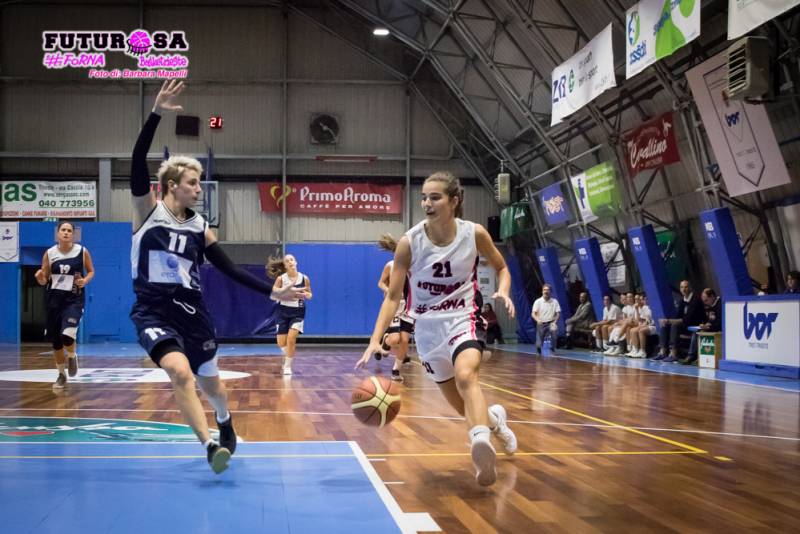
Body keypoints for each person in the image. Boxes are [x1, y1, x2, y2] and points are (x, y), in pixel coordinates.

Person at [129, 80, 303, 474]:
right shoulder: (146, 210)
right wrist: (156, 111)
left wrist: (274, 292)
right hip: (152, 311)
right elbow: (137, 158)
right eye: (193, 182)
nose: (199, 187)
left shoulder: (200, 226)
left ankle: (223, 419)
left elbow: (228, 268)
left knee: (213, 386)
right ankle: (209, 445)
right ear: (172, 185)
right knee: (178, 372)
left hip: (194, 312)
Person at [356, 171, 517, 487]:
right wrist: (374, 340)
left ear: (454, 201)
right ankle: (495, 422)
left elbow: (501, 267)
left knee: (467, 375)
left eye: (435, 197)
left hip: (464, 318)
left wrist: (504, 290)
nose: (427, 203)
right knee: (460, 406)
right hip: (427, 329)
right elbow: (392, 296)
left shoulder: (474, 233)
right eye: (424, 197)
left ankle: (480, 444)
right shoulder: (410, 242)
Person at [34, 221, 95, 390]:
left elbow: (91, 271)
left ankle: (73, 356)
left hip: (74, 299)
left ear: (73, 234)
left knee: (67, 335)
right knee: (56, 342)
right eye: (63, 230)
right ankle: (61, 374)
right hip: (54, 301)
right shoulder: (50, 253)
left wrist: (85, 280)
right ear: (58, 233)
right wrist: (40, 277)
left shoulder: (82, 252)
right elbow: (44, 278)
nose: (66, 233)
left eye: (69, 230)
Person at [374, 234, 414, 382]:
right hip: (396, 305)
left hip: (410, 306)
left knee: (404, 339)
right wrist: (388, 290)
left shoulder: (415, 266)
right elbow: (380, 283)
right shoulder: (391, 265)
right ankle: (385, 340)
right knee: (395, 338)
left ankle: (396, 370)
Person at [267, 254, 312, 376]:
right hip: (282, 311)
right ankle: (289, 355)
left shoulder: (304, 278)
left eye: (292, 259)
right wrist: (282, 293)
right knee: (281, 343)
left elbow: (309, 293)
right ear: (285, 266)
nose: (290, 262)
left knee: (291, 339)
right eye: (287, 261)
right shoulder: (281, 279)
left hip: (298, 312)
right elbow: (273, 293)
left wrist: (307, 295)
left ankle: (287, 366)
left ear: (296, 262)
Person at [654, 280, 704, 362]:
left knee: (675, 325)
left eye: (686, 287)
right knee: (665, 325)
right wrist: (667, 321)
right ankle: (662, 351)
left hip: (694, 325)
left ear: (690, 288)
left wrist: (671, 321)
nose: (684, 289)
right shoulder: (682, 300)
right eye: (682, 287)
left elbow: (688, 319)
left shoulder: (695, 300)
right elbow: (678, 316)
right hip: (685, 325)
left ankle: (673, 353)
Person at [680, 288, 722, 365]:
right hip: (712, 327)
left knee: (700, 332)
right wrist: (706, 324)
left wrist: (709, 327)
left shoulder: (720, 305)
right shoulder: (710, 305)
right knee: (697, 331)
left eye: (706, 300)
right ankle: (695, 356)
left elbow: (720, 324)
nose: (705, 303)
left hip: (719, 329)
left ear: (712, 296)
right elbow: (710, 320)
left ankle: (693, 356)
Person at [531, 284, 560, 355]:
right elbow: (533, 313)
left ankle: (552, 348)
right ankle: (538, 349)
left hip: (551, 323)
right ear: (542, 291)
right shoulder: (538, 301)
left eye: (547, 290)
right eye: (544, 290)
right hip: (541, 323)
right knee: (539, 342)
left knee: (554, 333)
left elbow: (558, 313)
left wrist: (555, 322)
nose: (546, 291)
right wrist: (537, 320)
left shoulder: (555, 301)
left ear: (550, 291)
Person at [626, 293, 655, 358]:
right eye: (640, 299)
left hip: (653, 326)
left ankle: (642, 351)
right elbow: (641, 319)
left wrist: (643, 324)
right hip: (647, 325)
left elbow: (649, 321)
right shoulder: (644, 307)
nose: (641, 301)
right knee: (632, 330)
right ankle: (635, 350)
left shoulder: (651, 307)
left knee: (640, 330)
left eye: (642, 299)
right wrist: (636, 309)